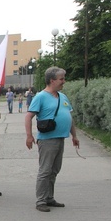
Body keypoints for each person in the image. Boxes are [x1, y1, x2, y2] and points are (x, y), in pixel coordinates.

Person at [25, 67, 80, 212]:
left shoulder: (62, 96)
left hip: (61, 138)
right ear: (52, 80)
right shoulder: (40, 97)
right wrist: (29, 136)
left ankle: (49, 197)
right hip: (47, 140)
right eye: (61, 79)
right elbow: (28, 116)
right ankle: (41, 201)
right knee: (45, 171)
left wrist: (74, 136)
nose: (64, 81)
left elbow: (69, 117)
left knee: (54, 170)